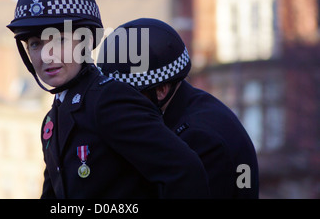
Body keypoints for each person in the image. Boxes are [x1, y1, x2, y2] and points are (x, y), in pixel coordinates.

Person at [7, 0, 209, 198]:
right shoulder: (52, 120)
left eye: (59, 40)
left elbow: (185, 172)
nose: (46, 55)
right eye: (35, 44)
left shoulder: (110, 101)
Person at [97, 18, 259, 198]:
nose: (119, 107)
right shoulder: (188, 112)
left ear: (160, 90)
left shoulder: (200, 139)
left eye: (127, 97)